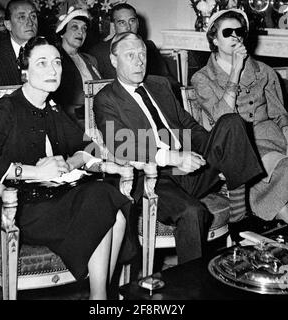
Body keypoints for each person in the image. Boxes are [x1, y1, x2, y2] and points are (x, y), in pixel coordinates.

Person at [0, 36, 131, 300]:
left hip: (56, 197)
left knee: (118, 214)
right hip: (21, 207)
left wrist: (70, 162)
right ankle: (101, 298)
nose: (53, 70)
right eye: (42, 63)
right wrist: (34, 171)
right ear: (25, 71)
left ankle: (101, 296)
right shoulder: (9, 108)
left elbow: (89, 147)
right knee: (103, 199)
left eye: (56, 63)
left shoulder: (52, 107)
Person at [94, 32, 264, 264]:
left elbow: (188, 125)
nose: (139, 61)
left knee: (231, 122)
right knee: (193, 213)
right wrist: (172, 157)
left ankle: (239, 217)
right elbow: (121, 144)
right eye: (130, 55)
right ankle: (191, 287)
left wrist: (217, 152)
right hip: (151, 178)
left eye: (142, 54)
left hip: (189, 167)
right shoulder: (106, 98)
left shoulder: (160, 85)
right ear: (114, 60)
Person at [191, 9, 288, 245]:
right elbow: (223, 118)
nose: (235, 37)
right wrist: (235, 70)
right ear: (214, 39)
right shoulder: (202, 78)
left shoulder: (263, 72)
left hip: (270, 142)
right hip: (235, 151)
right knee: (282, 201)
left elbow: (281, 115)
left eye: (239, 31)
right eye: (227, 32)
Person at [88, 3, 178, 89]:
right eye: (122, 23)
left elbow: (166, 78)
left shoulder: (149, 46)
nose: (128, 27)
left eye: (132, 21)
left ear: (137, 23)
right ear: (113, 26)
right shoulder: (98, 52)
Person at [51, 7, 101, 125]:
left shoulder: (90, 59)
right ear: (62, 32)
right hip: (70, 122)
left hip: (96, 118)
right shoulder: (55, 60)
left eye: (84, 29)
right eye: (75, 27)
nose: (81, 32)